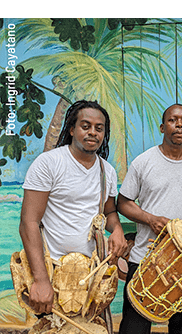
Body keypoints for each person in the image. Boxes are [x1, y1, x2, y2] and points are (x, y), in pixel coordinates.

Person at [19, 100, 127, 315]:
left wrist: (117, 230)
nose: (92, 133)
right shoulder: (49, 163)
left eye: (99, 128)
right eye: (85, 126)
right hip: (53, 270)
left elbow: (109, 212)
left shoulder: (107, 171)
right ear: (71, 129)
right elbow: (28, 222)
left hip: (91, 274)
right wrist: (41, 280)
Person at [117, 104, 182, 334]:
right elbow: (122, 203)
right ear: (163, 127)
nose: (179, 124)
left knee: (181, 329)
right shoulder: (143, 162)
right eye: (173, 120)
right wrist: (149, 218)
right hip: (144, 258)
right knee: (134, 329)